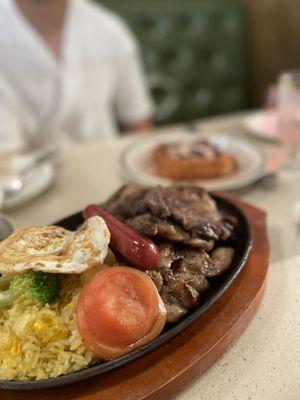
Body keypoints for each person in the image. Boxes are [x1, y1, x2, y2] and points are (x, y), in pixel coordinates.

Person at [0, 0, 154, 151]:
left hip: (102, 165)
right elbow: (6, 156)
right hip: (16, 171)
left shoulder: (110, 30)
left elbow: (138, 122)